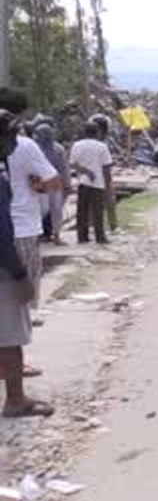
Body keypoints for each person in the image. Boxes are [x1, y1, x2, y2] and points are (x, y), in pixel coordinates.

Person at [0, 109, 53, 418]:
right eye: (10, 136)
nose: (13, 143)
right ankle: (16, 400)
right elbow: (1, 232)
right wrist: (20, 275)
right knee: (11, 335)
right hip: (6, 265)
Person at [69, 121, 113, 245]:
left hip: (82, 182)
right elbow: (106, 168)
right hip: (98, 183)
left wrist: (85, 171)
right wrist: (108, 185)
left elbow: (72, 164)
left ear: (85, 132)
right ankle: (100, 237)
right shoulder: (102, 147)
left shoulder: (77, 145)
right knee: (97, 211)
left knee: (82, 211)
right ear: (98, 132)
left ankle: (82, 237)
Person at [32, 123, 69, 246]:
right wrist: (67, 184)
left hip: (46, 183)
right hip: (47, 183)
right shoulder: (37, 148)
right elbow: (64, 169)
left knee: (49, 210)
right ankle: (50, 236)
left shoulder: (55, 149)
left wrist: (66, 183)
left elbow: (63, 167)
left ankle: (53, 236)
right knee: (50, 210)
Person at [89, 114, 119, 233]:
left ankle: (92, 226)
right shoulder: (103, 145)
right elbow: (106, 165)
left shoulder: (83, 143)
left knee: (93, 203)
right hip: (102, 176)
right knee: (109, 201)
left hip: (90, 177)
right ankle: (113, 226)